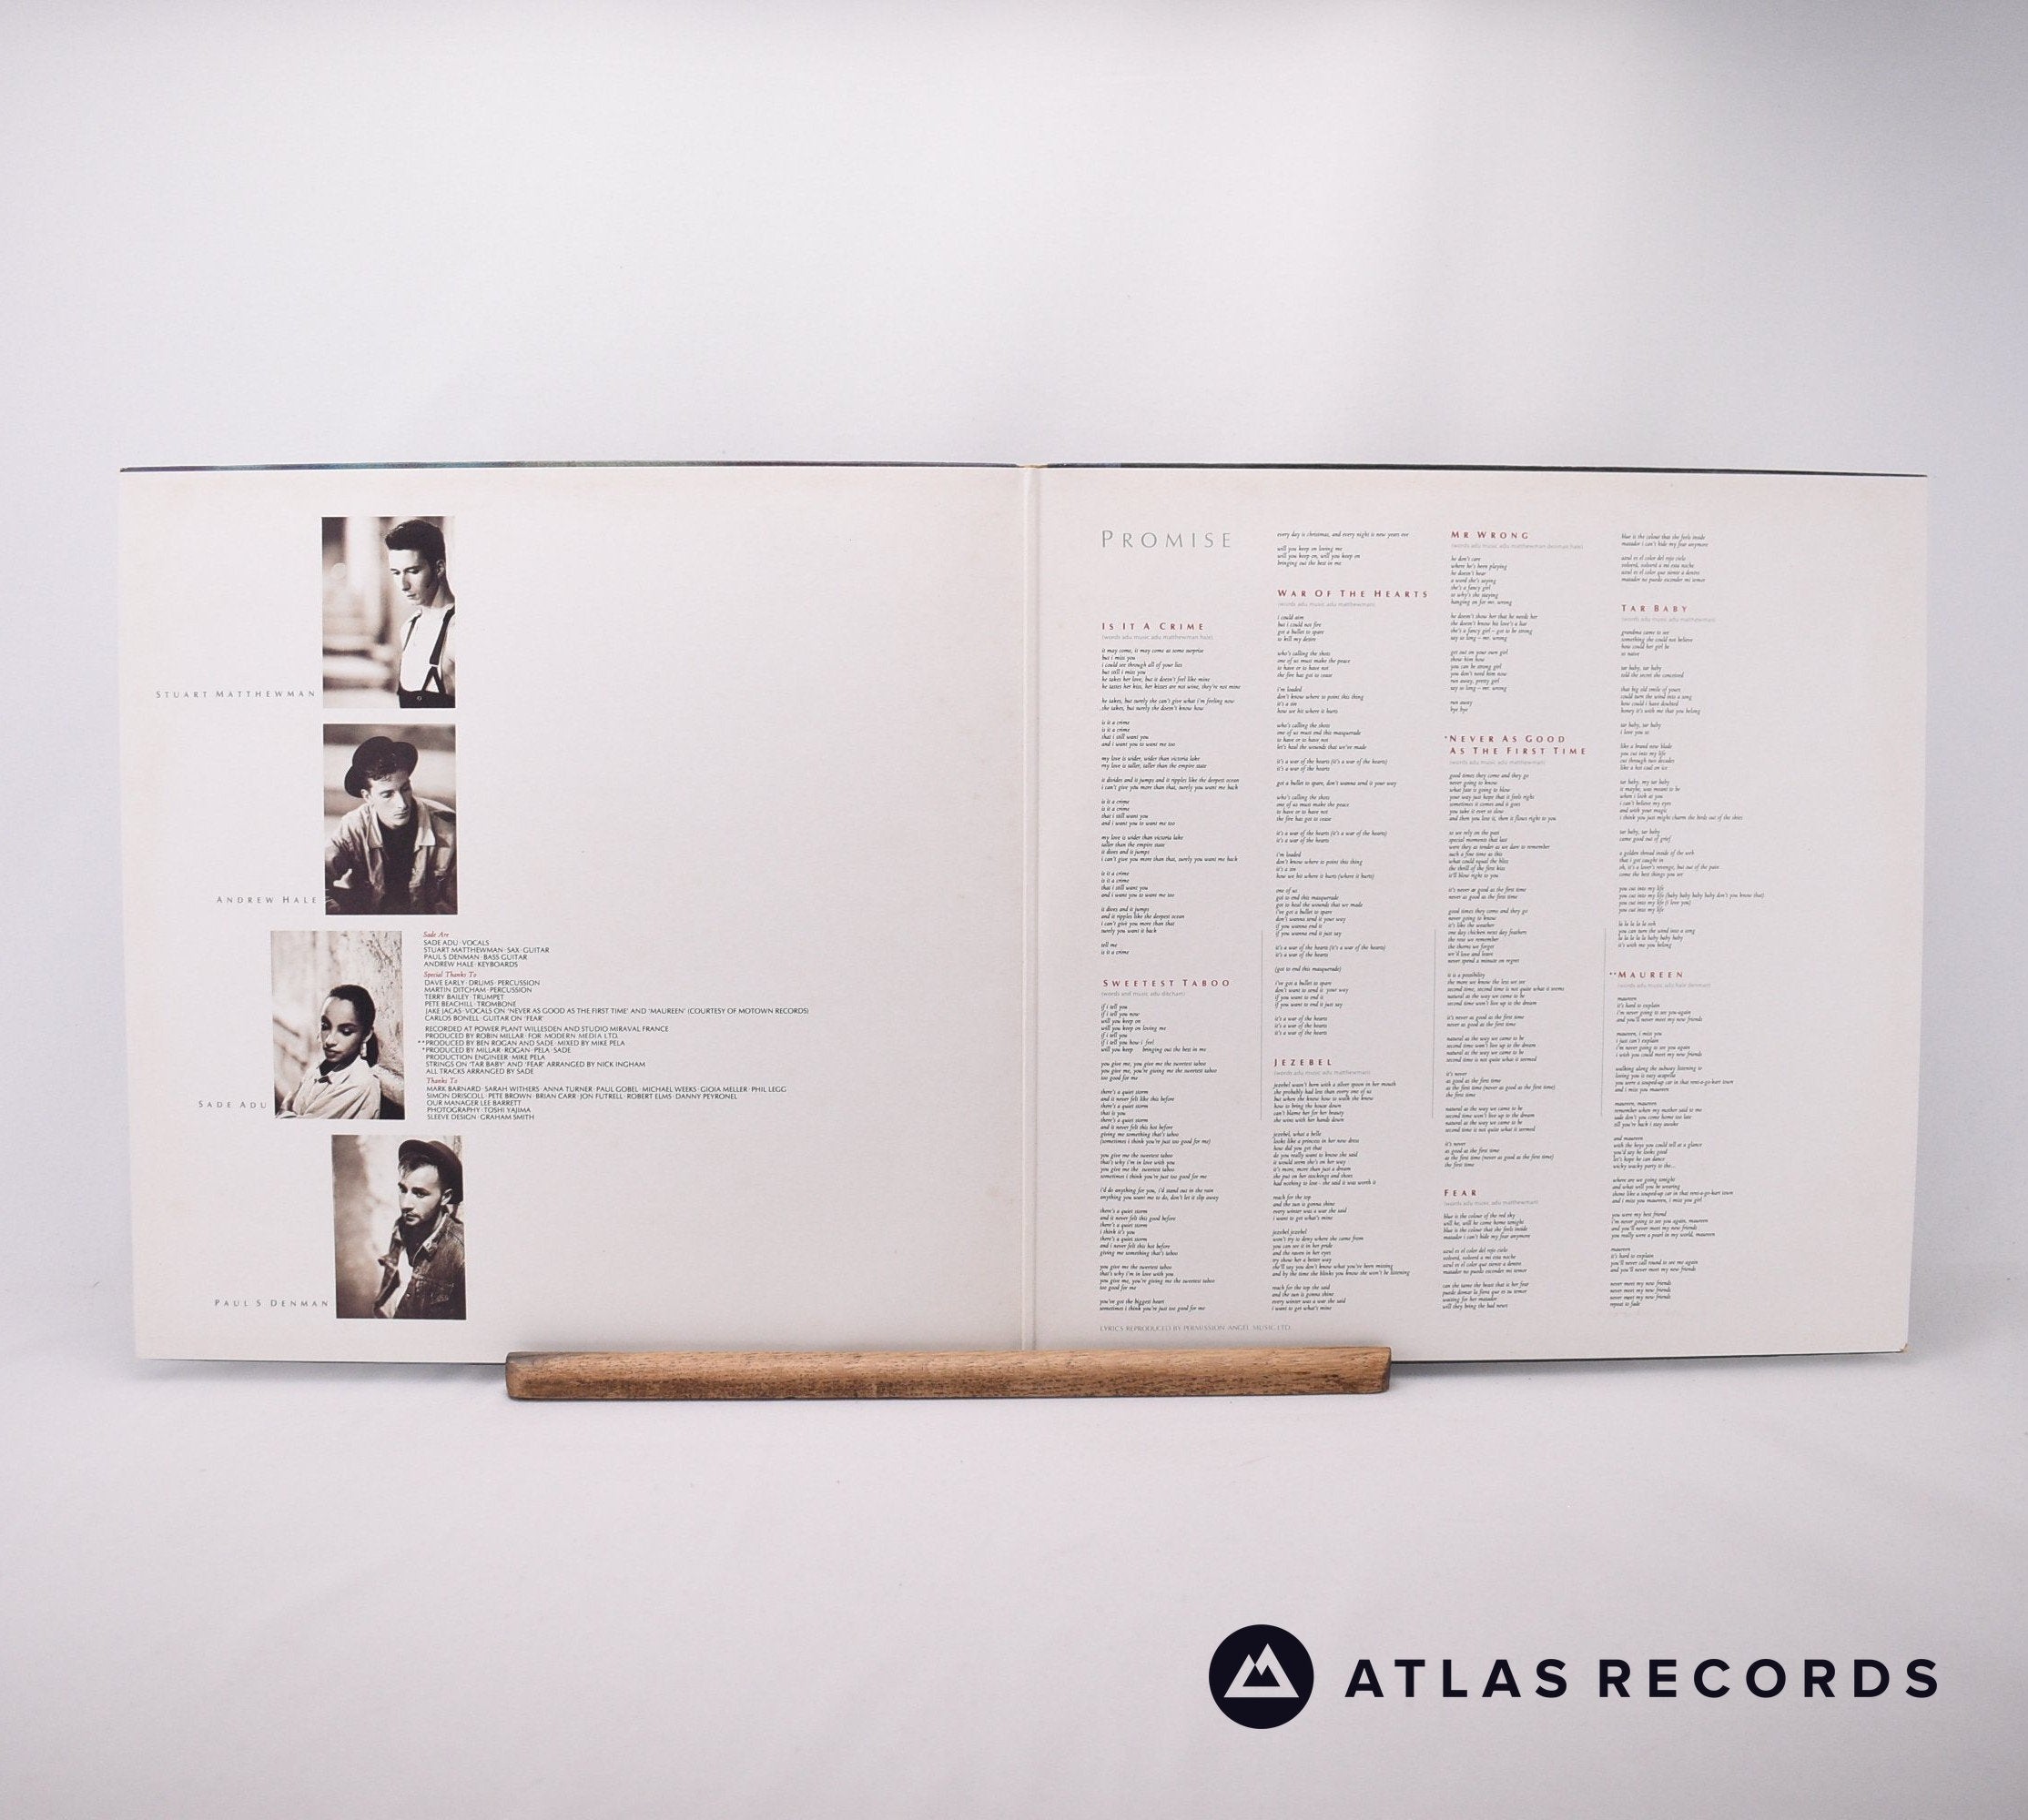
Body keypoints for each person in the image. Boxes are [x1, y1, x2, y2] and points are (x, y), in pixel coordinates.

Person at [324, 735, 457, 915]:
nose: (402, 804)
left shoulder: (448, 829)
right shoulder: (353, 827)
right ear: (367, 796)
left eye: (405, 789)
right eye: (387, 795)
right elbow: (312, 881)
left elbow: (461, 904)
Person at [374, 1139, 466, 1320]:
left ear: (445, 1197)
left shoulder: (461, 1253)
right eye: (403, 1190)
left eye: (419, 1194)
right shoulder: (401, 1226)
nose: (405, 1204)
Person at [278, 984, 390, 1119]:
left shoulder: (358, 1084)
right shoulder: (319, 1068)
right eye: (325, 1026)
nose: (329, 1040)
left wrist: (284, 1111)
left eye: (345, 1031)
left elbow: (297, 1126)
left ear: (366, 1034)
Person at [385, 519, 456, 708]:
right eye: (396, 573)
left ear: (439, 568)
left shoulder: (457, 631)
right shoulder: (409, 627)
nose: (403, 585)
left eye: (413, 571)